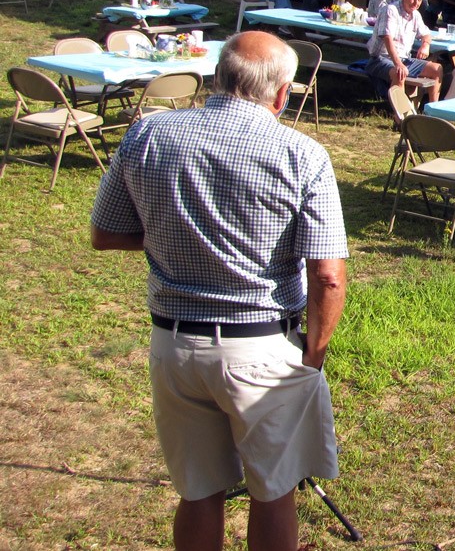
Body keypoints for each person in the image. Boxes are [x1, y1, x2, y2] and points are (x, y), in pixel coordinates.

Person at [90, 31, 349, 551]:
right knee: (273, 492)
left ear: (218, 76)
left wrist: (173, 236)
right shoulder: (302, 154)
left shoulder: (148, 134)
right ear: (281, 94)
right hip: (261, 348)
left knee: (198, 492)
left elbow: (105, 232)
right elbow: (328, 275)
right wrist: (313, 359)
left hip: (174, 345)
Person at [365, 0, 442, 104]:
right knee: (400, 72)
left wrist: (425, 45)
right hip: (380, 59)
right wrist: (398, 64)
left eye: (419, 0)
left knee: (437, 69)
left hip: (404, 59)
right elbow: (387, 38)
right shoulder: (390, 10)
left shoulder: (415, 15)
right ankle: (400, 118)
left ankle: (432, 111)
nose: (416, 3)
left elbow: (426, 34)